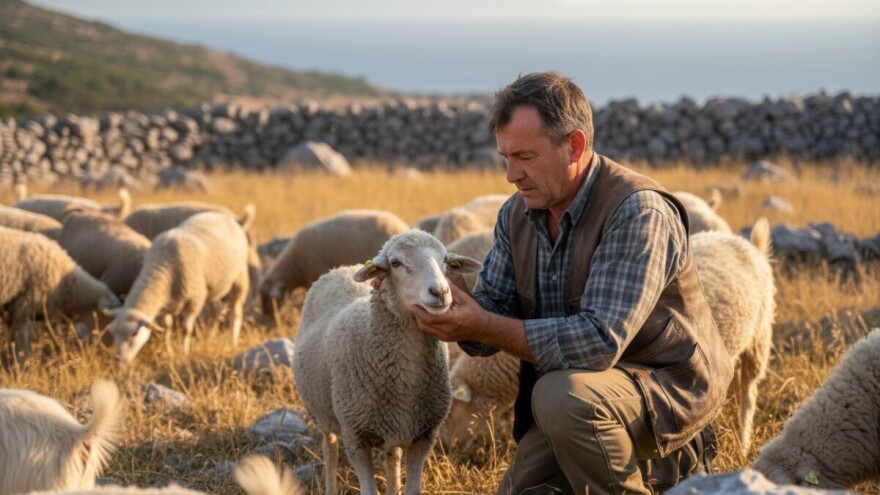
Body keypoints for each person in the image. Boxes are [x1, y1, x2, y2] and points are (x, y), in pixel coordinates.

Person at [413, 72, 733, 495]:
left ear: (575, 145)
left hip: (664, 394)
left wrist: (480, 324)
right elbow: (491, 314)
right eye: (505, 157)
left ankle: (671, 465)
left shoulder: (637, 212)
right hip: (575, 399)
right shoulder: (517, 214)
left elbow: (598, 342)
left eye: (525, 156)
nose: (511, 174)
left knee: (559, 396)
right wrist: (454, 299)